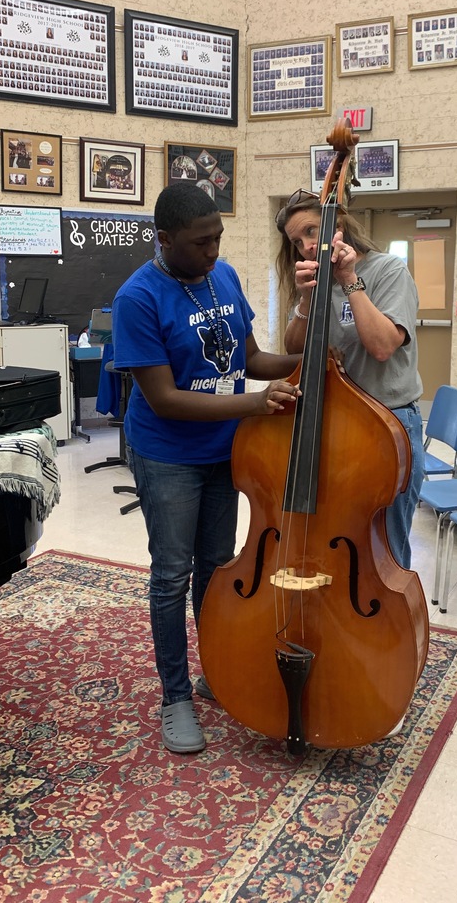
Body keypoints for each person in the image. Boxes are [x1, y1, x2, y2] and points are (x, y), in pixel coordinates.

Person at [113, 184, 300, 755]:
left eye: (218, 238)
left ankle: (213, 670)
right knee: (171, 575)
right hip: (166, 454)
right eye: (201, 243)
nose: (214, 251)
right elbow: (165, 399)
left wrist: (308, 357)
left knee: (217, 568)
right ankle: (175, 697)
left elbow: (251, 360)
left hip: (224, 452)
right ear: (165, 240)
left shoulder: (224, 278)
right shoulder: (138, 298)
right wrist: (252, 402)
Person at [275, 189, 424, 570]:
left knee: (384, 541)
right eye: (297, 241)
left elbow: (382, 347)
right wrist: (306, 300)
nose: (307, 246)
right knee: (336, 532)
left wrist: (348, 279)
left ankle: (388, 625)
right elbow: (293, 349)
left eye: (311, 231)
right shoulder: (314, 280)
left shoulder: (389, 270)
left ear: (336, 224)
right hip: (335, 422)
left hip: (387, 422)